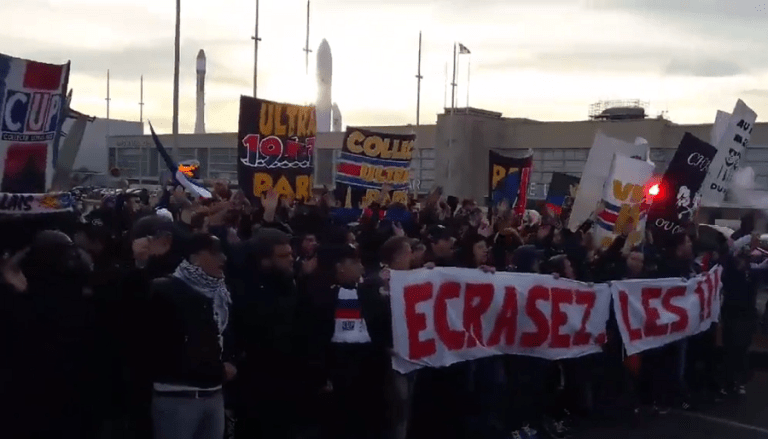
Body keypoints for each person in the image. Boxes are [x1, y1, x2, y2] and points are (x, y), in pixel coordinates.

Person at [149, 233, 235, 439]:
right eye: (215, 253)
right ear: (195, 256)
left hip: (214, 392)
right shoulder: (166, 290)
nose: (222, 258)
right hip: (177, 394)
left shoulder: (222, 293)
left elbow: (226, 335)